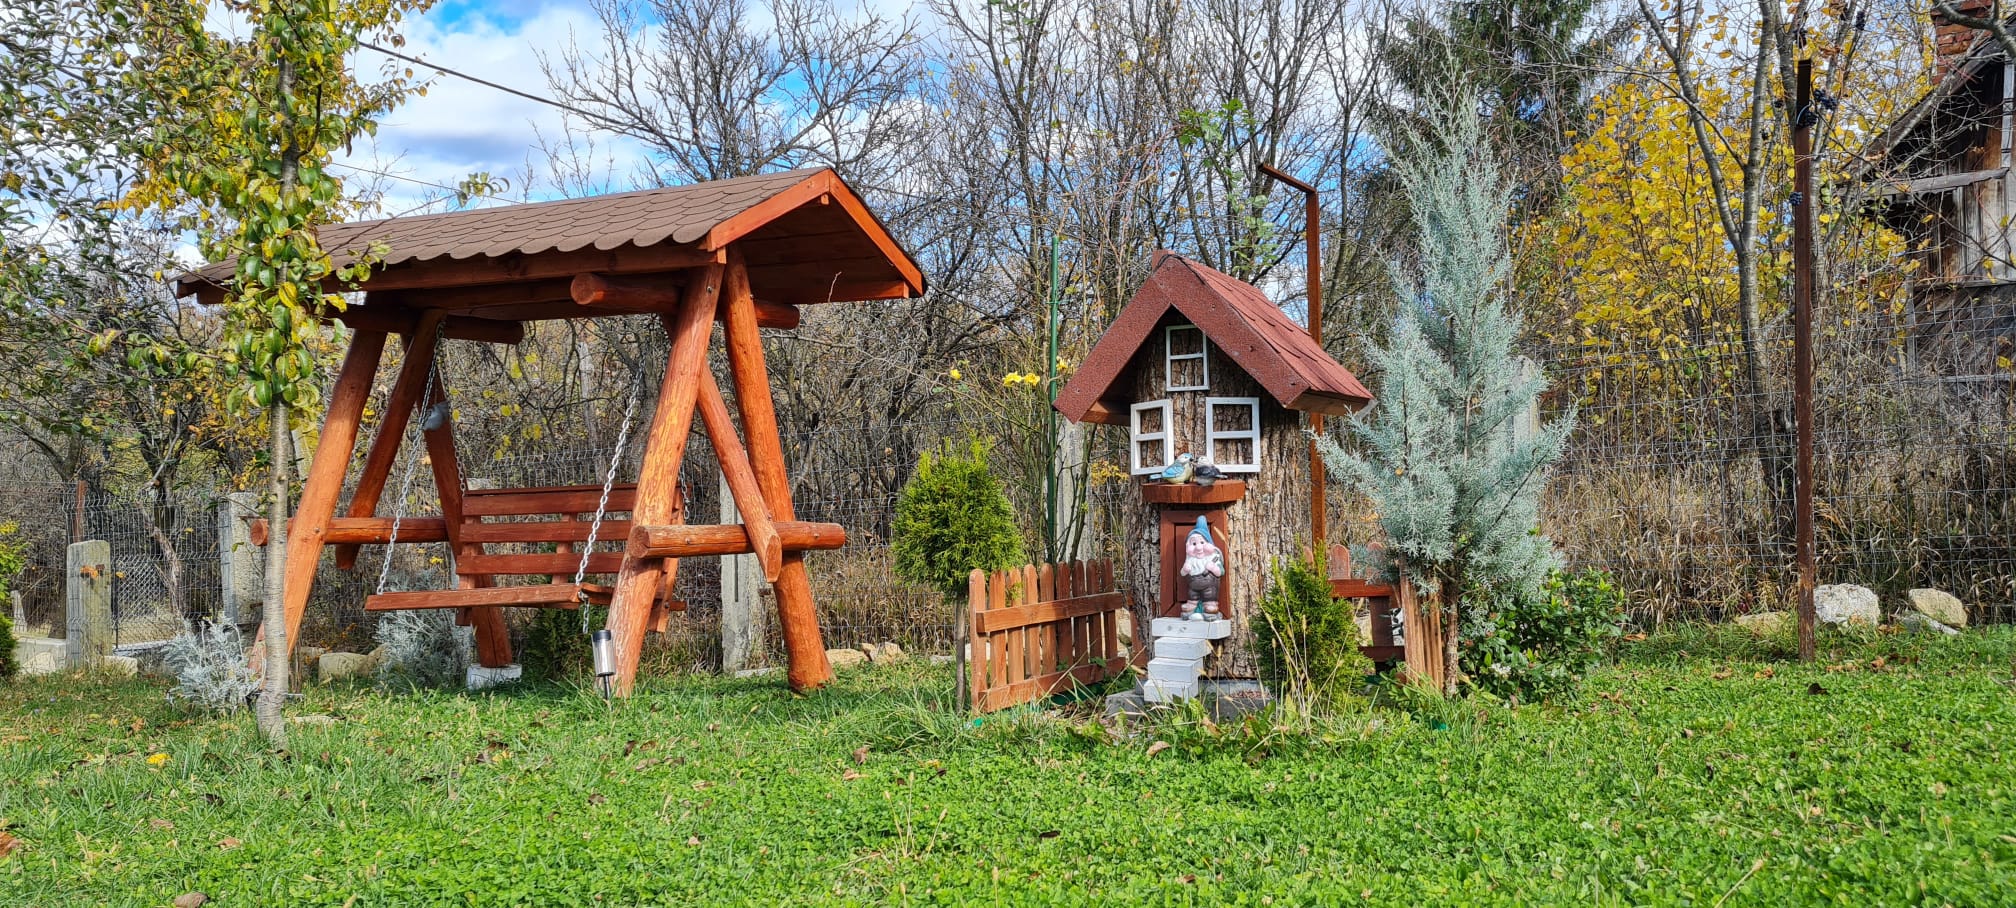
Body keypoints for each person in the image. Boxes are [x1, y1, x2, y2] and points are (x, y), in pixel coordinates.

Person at [1178, 516, 1224, 621]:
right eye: (1194, 544)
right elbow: (1182, 573)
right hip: (1193, 586)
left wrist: (1212, 568)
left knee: (1209, 594)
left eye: (1202, 543)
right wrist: (1185, 569)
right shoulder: (1190, 560)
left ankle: (1210, 605)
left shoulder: (1213, 558)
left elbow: (1220, 572)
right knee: (1192, 594)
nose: (1198, 548)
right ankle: (1191, 605)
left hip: (1209, 586)